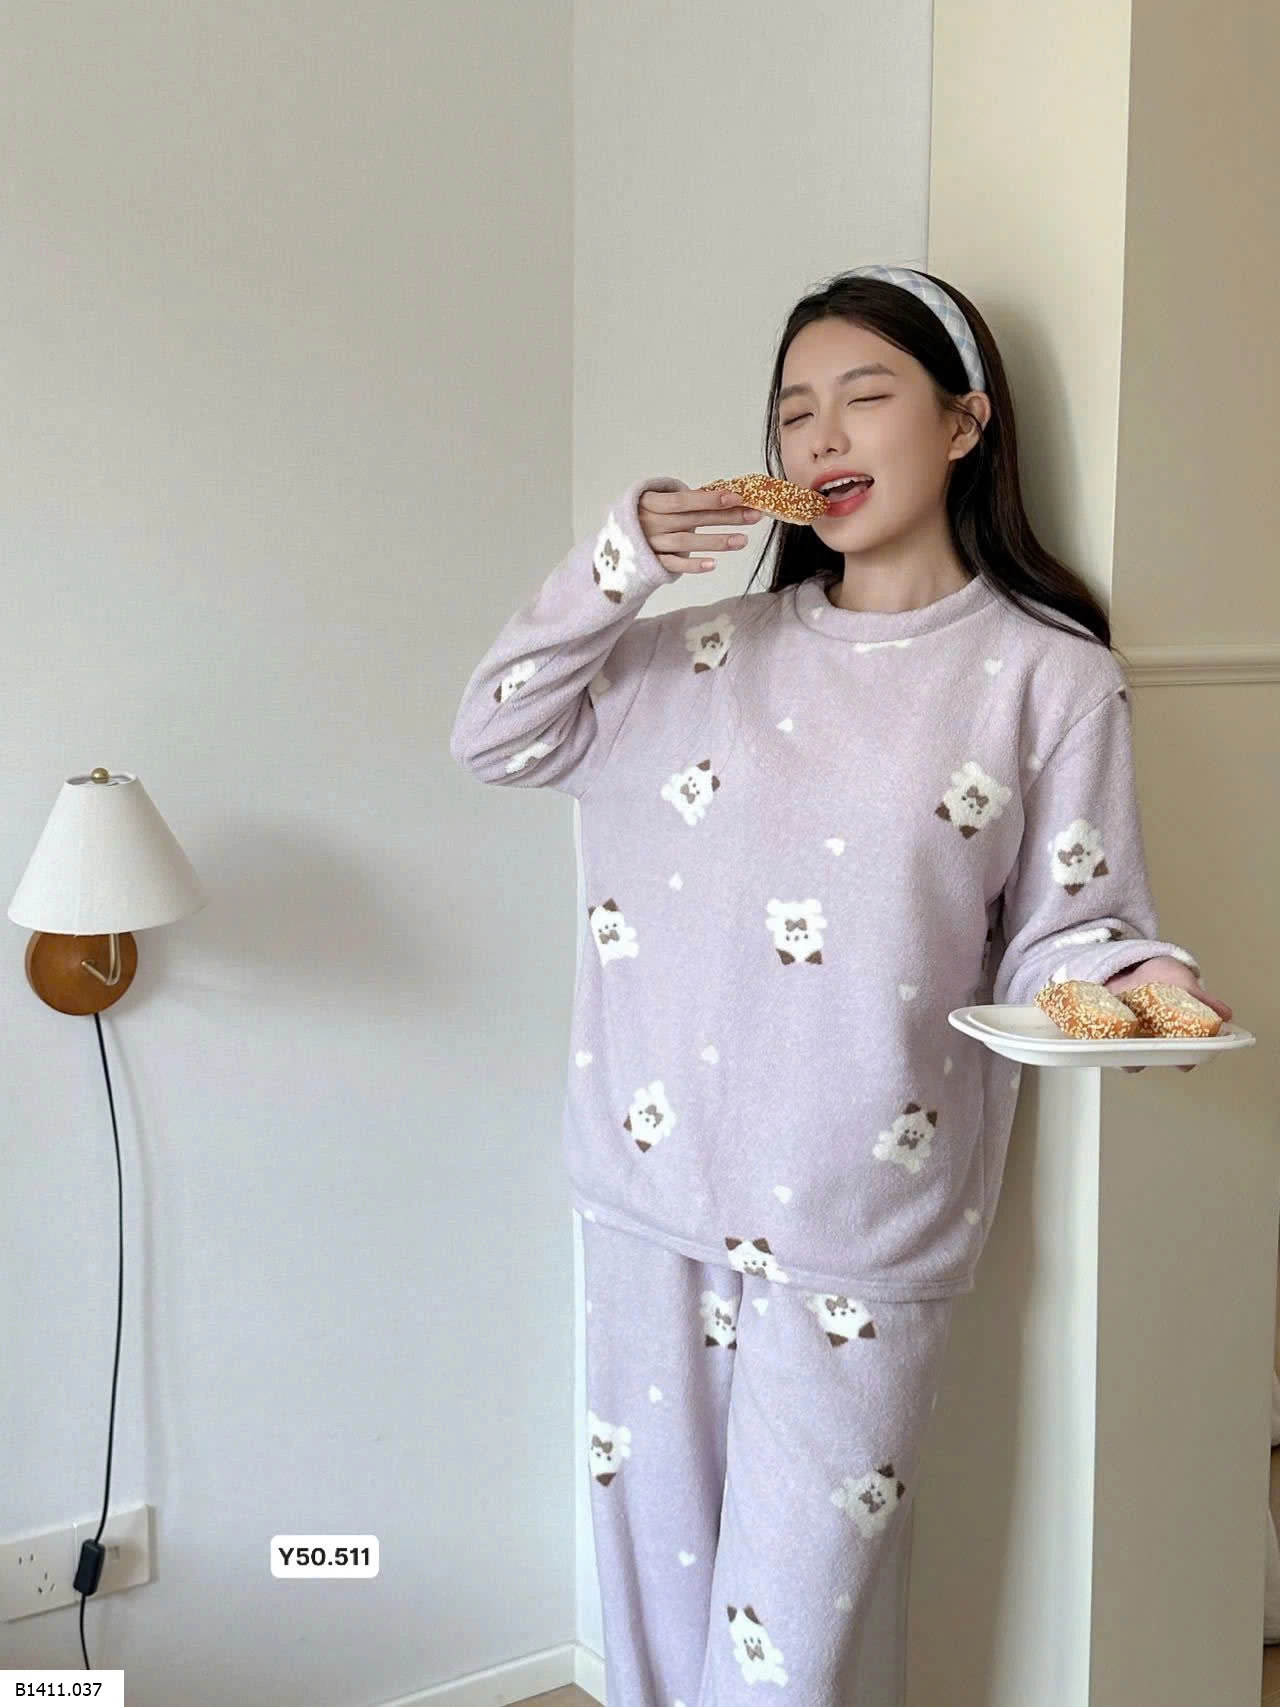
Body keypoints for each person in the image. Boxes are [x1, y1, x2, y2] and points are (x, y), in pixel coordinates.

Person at [449, 265, 1234, 1705]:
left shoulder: (1046, 674)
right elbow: (496, 733)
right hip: (648, 1194)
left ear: (964, 424)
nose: (820, 435)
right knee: (652, 1635)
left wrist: (1137, 983)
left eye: (865, 397)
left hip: (863, 1220)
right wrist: (620, 561)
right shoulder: (699, 653)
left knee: (782, 1657)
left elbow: (1070, 926)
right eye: (793, 410)